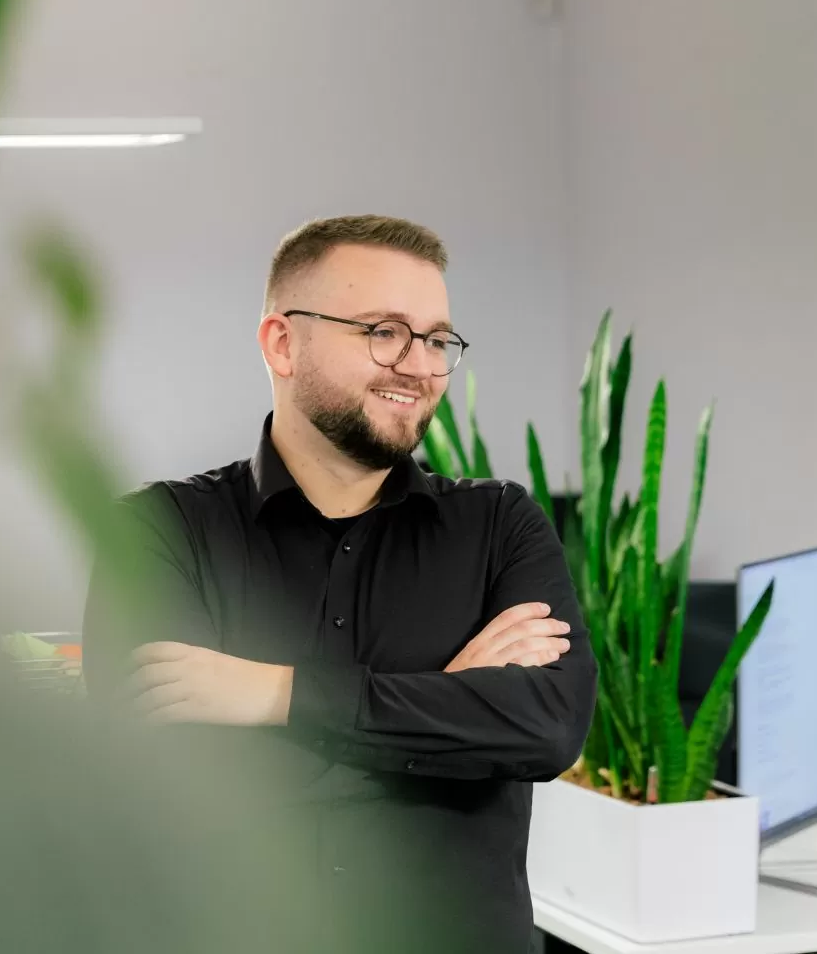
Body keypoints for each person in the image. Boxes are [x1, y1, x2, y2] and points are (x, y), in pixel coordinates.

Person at [82, 214, 597, 954]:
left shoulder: (500, 527)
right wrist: (447, 703)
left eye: (438, 339)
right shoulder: (158, 532)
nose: (419, 365)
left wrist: (274, 696)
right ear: (282, 343)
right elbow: (159, 801)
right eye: (383, 332)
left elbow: (548, 729)